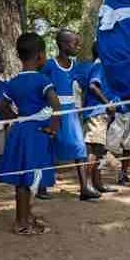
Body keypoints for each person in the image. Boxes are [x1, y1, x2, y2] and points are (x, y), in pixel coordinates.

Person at [0, 33, 61, 235]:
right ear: (41, 56)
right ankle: (21, 222)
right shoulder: (43, 80)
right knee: (30, 177)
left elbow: (2, 106)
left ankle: (26, 216)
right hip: (36, 134)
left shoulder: (13, 82)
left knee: (23, 178)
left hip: (19, 132)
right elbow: (57, 106)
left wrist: (18, 118)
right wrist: (53, 127)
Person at [41, 30, 91, 200]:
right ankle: (42, 186)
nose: (77, 47)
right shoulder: (49, 65)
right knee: (48, 147)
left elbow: (84, 85)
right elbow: (41, 88)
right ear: (62, 45)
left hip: (70, 111)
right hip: (52, 112)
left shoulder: (75, 66)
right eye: (74, 44)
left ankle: (84, 188)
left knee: (80, 147)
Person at [82, 43, 118, 193]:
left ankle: (97, 184)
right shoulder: (99, 66)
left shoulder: (102, 66)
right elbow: (93, 86)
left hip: (101, 114)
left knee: (99, 150)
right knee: (94, 148)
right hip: (96, 113)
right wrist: (107, 104)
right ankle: (87, 185)